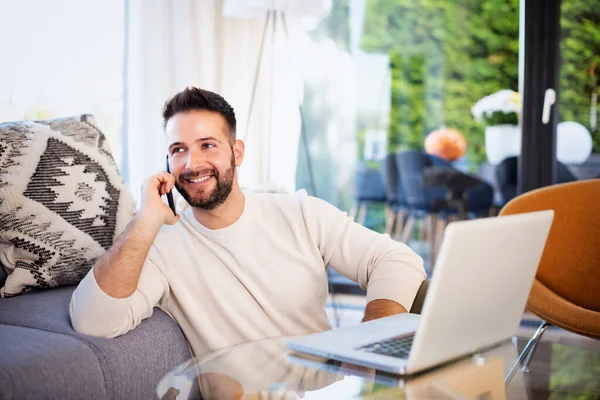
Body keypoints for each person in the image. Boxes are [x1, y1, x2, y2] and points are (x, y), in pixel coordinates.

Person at [70, 87, 426, 358]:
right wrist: (146, 217)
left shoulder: (300, 213)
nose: (192, 163)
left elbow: (397, 260)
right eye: (179, 149)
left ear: (236, 152)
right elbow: (93, 321)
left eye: (207, 145)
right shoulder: (161, 244)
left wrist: (370, 342)